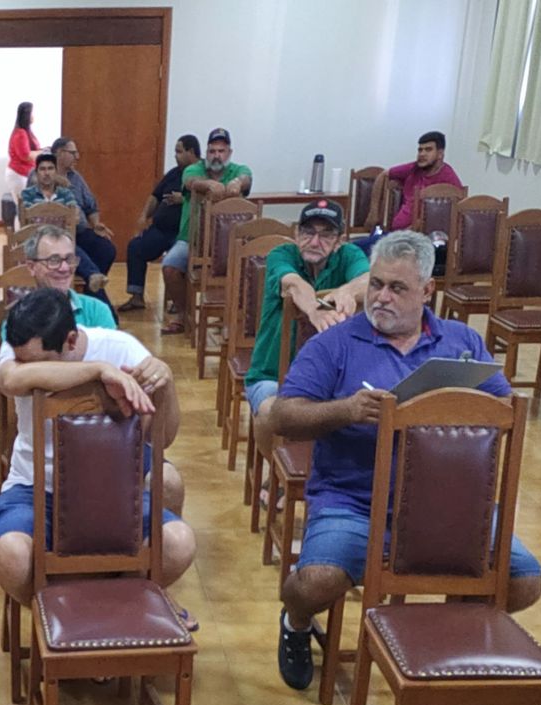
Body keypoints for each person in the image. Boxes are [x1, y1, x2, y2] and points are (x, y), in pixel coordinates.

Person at [268, 231, 541, 692]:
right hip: (354, 502)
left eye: (397, 288)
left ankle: (435, 636)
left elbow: (504, 410)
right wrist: (346, 410)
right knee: (315, 581)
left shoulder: (461, 341)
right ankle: (294, 623)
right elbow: (282, 416)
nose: (381, 297)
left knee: (524, 580)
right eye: (376, 284)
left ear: (427, 290)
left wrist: (449, 413)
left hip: (449, 507)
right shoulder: (335, 343)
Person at [0, 288, 198, 615]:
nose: (28, 366)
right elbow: (10, 379)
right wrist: (99, 370)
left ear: (71, 341)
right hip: (33, 486)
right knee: (11, 556)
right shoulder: (21, 344)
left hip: (113, 488)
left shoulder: (120, 347)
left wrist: (166, 384)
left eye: (39, 362)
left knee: (179, 542)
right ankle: (62, 613)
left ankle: (113, 606)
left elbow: (162, 439)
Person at [4, 229, 182, 513]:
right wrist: (99, 370)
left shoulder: (98, 315)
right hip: (45, 444)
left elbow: (122, 387)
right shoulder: (22, 323)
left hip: (113, 433)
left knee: (169, 481)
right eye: (53, 260)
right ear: (32, 266)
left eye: (69, 259)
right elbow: (11, 378)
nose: (63, 268)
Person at [245, 200, 371, 483]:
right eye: (308, 232)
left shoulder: (349, 255)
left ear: (339, 241)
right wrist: (314, 310)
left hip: (329, 381)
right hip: (271, 374)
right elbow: (293, 284)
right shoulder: (282, 254)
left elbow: (368, 279)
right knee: (269, 412)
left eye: (326, 234)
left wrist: (347, 291)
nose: (315, 241)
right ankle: (278, 477)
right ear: (296, 233)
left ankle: (329, 481)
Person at [161, 128, 253, 333]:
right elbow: (190, 181)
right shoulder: (194, 169)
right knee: (170, 266)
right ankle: (182, 315)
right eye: (212, 151)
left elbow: (246, 176)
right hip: (192, 240)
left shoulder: (238, 170)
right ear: (206, 152)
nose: (216, 155)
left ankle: (236, 321)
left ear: (229, 153)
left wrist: (238, 182)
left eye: (221, 151)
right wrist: (208, 184)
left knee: (252, 269)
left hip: (230, 245)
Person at [120, 134, 199, 314]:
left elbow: (206, 201)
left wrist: (184, 199)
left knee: (176, 259)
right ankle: (136, 296)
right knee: (136, 247)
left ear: (191, 152)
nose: (175, 156)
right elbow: (155, 196)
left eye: (179, 151)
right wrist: (143, 217)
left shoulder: (200, 174)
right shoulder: (173, 173)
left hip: (182, 234)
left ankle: (178, 301)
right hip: (160, 230)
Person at [20, 153, 107, 297]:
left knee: (69, 247)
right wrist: (58, 213)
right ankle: (92, 275)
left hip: (60, 237)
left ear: (56, 172)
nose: (46, 173)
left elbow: (75, 214)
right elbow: (27, 216)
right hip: (37, 239)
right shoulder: (27, 194)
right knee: (65, 248)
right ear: (36, 173)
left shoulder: (66, 194)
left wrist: (53, 214)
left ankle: (92, 277)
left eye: (50, 169)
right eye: (42, 169)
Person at [50, 136, 119, 296]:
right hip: (55, 234)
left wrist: (96, 224)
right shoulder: (42, 174)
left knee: (106, 249)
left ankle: (90, 292)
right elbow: (33, 183)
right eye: (73, 153)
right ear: (59, 153)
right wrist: (54, 178)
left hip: (79, 231)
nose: (77, 157)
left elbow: (90, 205)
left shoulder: (75, 177)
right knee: (69, 247)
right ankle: (94, 285)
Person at [384, 130, 463, 234]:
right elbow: (384, 175)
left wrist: (410, 231)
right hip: (395, 233)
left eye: (428, 150)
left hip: (418, 237)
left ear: (440, 154)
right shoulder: (414, 168)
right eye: (420, 150)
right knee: (364, 242)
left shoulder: (448, 180)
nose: (422, 154)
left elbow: (448, 217)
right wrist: (374, 213)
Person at [7, 101, 40, 198]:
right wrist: (41, 153)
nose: (33, 116)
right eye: (32, 113)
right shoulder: (21, 133)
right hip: (19, 174)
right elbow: (26, 155)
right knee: (23, 204)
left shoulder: (25, 132)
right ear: (27, 115)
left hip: (25, 174)